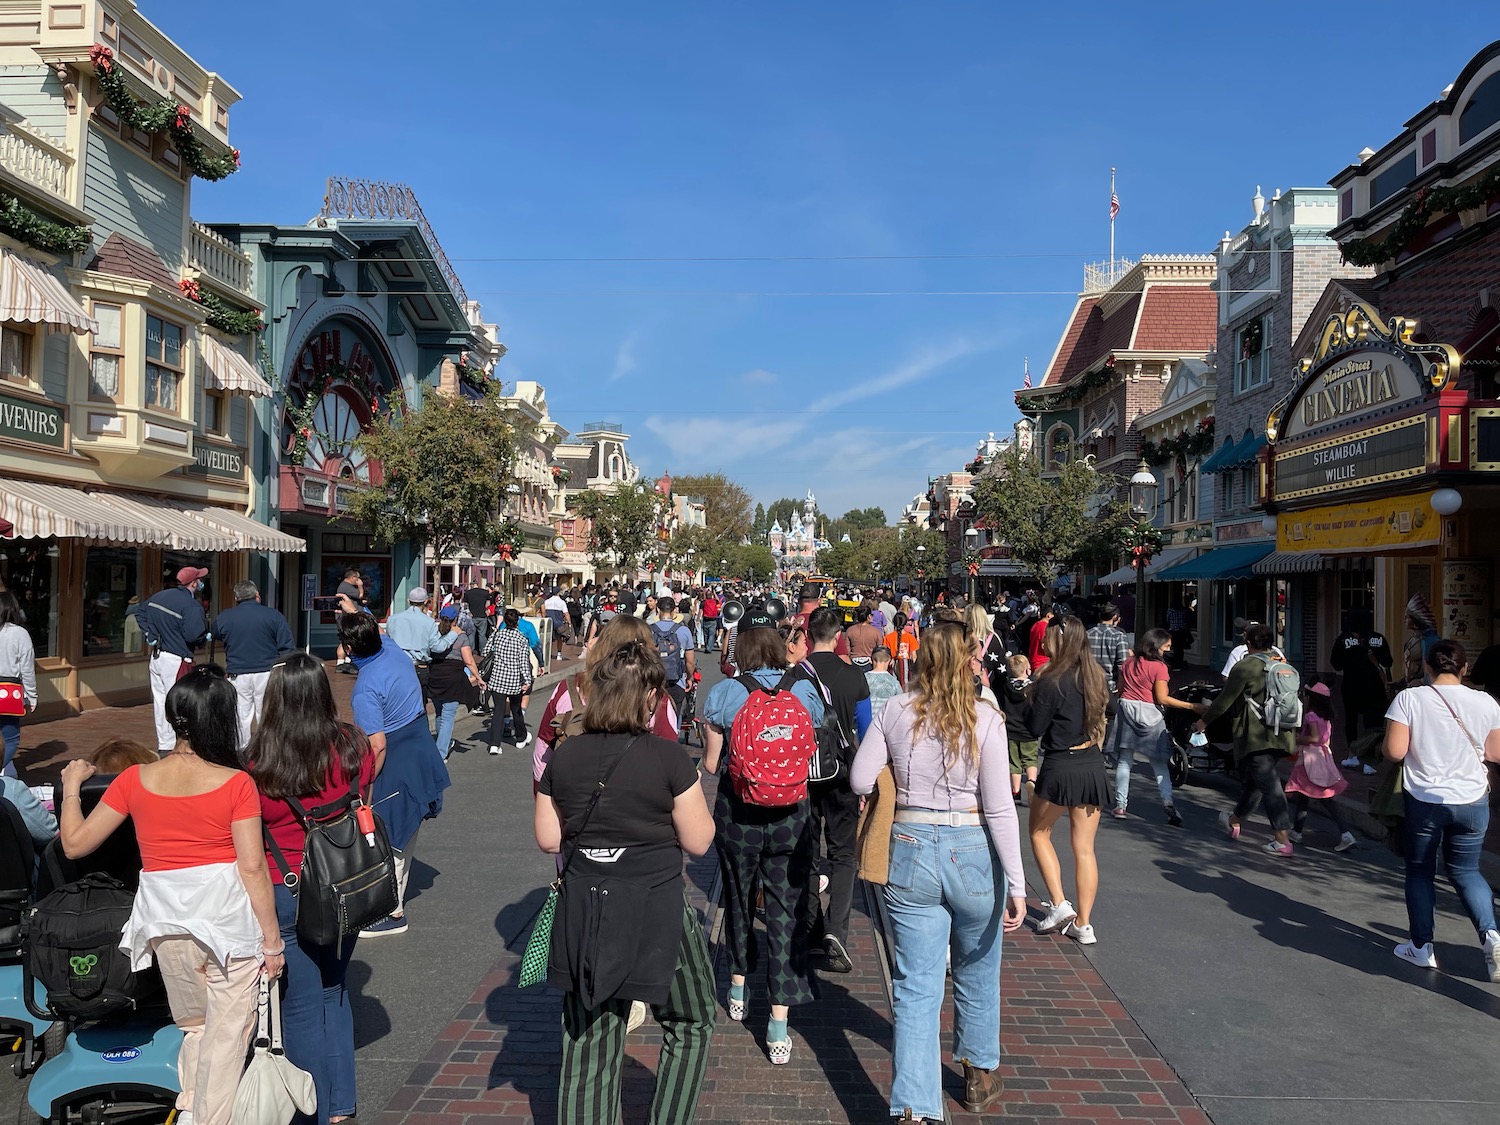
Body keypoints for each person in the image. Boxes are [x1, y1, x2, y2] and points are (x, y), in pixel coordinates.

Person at [58, 666, 282, 1125]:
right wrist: (273, 940)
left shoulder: (134, 779)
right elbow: (253, 866)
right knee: (227, 1039)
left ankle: (191, 1109)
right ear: (221, 718)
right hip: (226, 923)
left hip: (164, 922)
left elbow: (74, 844)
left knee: (196, 1028)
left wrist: (70, 789)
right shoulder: (236, 783)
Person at [534, 628, 717, 1125]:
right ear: (650, 698)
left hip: (586, 907)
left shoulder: (565, 755)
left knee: (589, 1034)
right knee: (691, 1018)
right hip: (655, 905)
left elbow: (549, 838)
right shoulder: (667, 757)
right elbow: (700, 841)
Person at [851, 620, 1027, 1121]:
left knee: (916, 983)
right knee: (977, 965)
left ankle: (913, 1106)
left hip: (909, 845)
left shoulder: (895, 710)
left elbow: (861, 777)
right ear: (967, 661)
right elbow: (999, 807)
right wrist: (1016, 881)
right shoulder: (985, 719)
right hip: (970, 845)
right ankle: (977, 1072)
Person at [247, 653, 380, 1125]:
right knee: (335, 991)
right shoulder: (351, 746)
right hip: (344, 879)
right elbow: (362, 791)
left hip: (288, 885)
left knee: (299, 1005)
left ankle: (314, 1111)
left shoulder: (259, 762)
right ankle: (340, 1104)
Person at [700, 606, 823, 1065]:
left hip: (739, 813)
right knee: (784, 908)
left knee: (737, 894)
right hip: (792, 813)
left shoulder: (727, 692)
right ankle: (778, 1022)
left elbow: (712, 764)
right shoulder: (804, 691)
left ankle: (737, 983)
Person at [1384, 639, 1500, 977]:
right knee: (1467, 871)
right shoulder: (1485, 702)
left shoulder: (1409, 698)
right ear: (1464, 669)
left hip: (1426, 799)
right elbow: (1495, 753)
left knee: (1420, 871)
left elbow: (1394, 751)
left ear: (1428, 668)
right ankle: (1491, 934)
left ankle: (1421, 947)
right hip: (1473, 800)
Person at [336, 611, 450, 937]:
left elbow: (377, 745)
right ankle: (390, 902)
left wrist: (365, 788)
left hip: (398, 756)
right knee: (405, 829)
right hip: (420, 745)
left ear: (348, 648)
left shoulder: (366, 687)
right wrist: (356, 607)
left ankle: (392, 910)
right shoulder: (390, 648)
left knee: (387, 833)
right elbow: (373, 627)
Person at [792, 607, 871, 975]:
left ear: (807, 636)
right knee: (842, 854)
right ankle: (836, 929)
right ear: (838, 636)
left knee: (806, 852)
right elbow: (867, 729)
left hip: (802, 776)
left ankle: (809, 928)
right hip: (841, 774)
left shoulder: (793, 677)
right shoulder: (853, 676)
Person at [1025, 617, 1110, 944]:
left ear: (1059, 640)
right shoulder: (1094, 675)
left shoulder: (1051, 680)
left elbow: (1034, 728)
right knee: (1085, 849)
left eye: (1046, 636)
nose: (1043, 641)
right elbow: (1111, 708)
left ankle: (1059, 903)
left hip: (1060, 765)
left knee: (1039, 833)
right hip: (1090, 763)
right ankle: (1084, 924)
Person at [1196, 623, 1296, 856]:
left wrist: (1203, 722)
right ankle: (1234, 819)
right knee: (1256, 782)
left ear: (1249, 643)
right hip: (1283, 733)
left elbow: (1224, 700)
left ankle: (1282, 839)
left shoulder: (1245, 666)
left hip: (1256, 735)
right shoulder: (1283, 664)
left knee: (1270, 786)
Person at [1110, 629, 1201, 825]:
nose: (1168, 650)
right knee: (1159, 763)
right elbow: (1161, 698)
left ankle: (1120, 805)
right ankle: (1167, 801)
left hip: (1127, 710)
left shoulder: (1127, 663)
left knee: (1125, 761)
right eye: (1166, 646)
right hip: (1151, 715)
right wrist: (1193, 706)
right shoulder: (1159, 667)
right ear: (1156, 646)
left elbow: (1120, 689)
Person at [211, 580, 295, 751]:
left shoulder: (225, 617)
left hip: (238, 673)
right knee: (266, 714)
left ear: (236, 598)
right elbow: (287, 646)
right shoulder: (273, 615)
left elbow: (215, 633)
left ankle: (242, 751)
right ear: (257, 595)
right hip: (267, 672)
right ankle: (268, 750)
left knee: (241, 716)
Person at [139, 566, 210, 754]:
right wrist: (205, 637)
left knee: (160, 701)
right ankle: (180, 745)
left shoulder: (159, 597)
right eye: (199, 579)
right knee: (179, 703)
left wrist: (150, 633)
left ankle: (165, 743)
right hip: (177, 659)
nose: (201, 582)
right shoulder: (191, 606)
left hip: (157, 657)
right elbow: (194, 636)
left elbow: (140, 613)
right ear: (193, 583)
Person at [1285, 682, 1356, 852]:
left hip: (1310, 759)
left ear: (1313, 698)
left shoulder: (1311, 716)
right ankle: (1297, 831)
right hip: (1323, 757)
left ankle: (1346, 834)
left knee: (1324, 798)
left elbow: (1313, 738)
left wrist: (1295, 738)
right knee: (1304, 795)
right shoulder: (1327, 718)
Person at [1332, 608, 1393, 771]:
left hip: (1351, 685)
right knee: (1372, 723)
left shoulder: (1342, 640)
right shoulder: (1379, 638)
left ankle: (1352, 755)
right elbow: (1388, 662)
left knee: (1351, 722)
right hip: (1375, 687)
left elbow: (1336, 664)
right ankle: (1370, 760)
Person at [428, 606, 484, 761]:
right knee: (447, 717)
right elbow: (469, 660)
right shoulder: (461, 636)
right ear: (456, 619)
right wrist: (478, 677)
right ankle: (441, 753)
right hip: (453, 677)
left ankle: (442, 743)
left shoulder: (433, 632)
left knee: (440, 713)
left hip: (435, 675)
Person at [483, 608, 535, 756]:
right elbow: (523, 662)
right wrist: (527, 679)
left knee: (498, 711)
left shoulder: (497, 635)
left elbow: (486, 652)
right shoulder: (521, 639)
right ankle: (520, 737)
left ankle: (494, 744)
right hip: (513, 680)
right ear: (517, 621)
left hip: (497, 679)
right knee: (516, 709)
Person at [386, 588, 443, 713]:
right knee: (419, 706)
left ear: (408, 601)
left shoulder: (393, 619)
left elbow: (389, 641)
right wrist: (452, 635)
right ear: (426, 602)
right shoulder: (429, 622)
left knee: (398, 704)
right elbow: (437, 647)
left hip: (397, 666)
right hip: (419, 667)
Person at [0, 590, 37, 776]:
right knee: (10, 738)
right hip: (9, 692)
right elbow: (27, 669)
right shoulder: (19, 633)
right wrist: (32, 696)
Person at [650, 597, 697, 721]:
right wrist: (689, 678)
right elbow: (690, 661)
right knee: (674, 718)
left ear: (657, 609)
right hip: (677, 681)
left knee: (653, 717)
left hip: (653, 682)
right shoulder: (683, 630)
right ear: (674, 611)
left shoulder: (648, 630)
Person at [1000, 653, 1038, 802]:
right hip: (1028, 730)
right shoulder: (1033, 688)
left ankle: (1016, 790)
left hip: (1011, 730)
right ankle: (1032, 781)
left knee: (1013, 762)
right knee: (1030, 758)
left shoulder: (1006, 686)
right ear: (1027, 669)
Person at [1087, 603, 1129, 696]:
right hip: (1110, 686)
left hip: (1088, 683)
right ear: (1115, 616)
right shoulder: (1119, 636)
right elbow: (1123, 664)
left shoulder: (1087, 634)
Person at [1401, 593, 1441, 689]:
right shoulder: (1413, 640)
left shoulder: (1430, 641)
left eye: (1407, 617)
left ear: (1415, 620)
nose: (1404, 620)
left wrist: (1421, 681)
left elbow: (1434, 670)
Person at [334, 569, 366, 672]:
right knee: (345, 639)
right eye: (357, 579)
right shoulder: (345, 586)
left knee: (351, 639)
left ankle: (348, 662)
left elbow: (358, 599)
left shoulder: (348, 587)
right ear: (353, 578)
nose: (358, 581)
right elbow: (359, 595)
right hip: (346, 617)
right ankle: (340, 663)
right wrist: (360, 586)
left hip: (351, 617)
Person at [883, 612, 921, 690]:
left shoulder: (888, 637)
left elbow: (885, 654)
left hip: (892, 664)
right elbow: (914, 656)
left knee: (893, 685)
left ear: (894, 622)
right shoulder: (910, 637)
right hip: (906, 665)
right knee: (905, 686)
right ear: (905, 623)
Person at [865, 646, 902, 720]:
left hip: (866, 723)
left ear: (871, 660)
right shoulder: (894, 682)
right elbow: (900, 707)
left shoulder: (862, 679)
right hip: (885, 723)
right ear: (890, 661)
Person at [463, 582, 493, 654]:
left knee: (471, 635)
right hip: (482, 616)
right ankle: (483, 651)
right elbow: (488, 604)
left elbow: (465, 606)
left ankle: (470, 652)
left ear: (471, 585)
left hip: (472, 616)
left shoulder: (468, 593)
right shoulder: (485, 592)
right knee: (482, 635)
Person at [1165, 600, 1193, 668]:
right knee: (1180, 648)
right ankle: (1179, 662)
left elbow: (1167, 620)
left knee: (1175, 648)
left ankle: (1176, 663)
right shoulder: (1184, 611)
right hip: (1182, 631)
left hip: (1173, 631)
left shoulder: (1170, 611)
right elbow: (1187, 620)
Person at [701, 589, 722, 655]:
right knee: (711, 634)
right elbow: (718, 600)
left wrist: (698, 619)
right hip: (713, 619)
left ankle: (707, 646)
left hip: (705, 619)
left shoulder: (704, 602)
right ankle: (709, 648)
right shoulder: (714, 601)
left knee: (706, 634)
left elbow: (701, 610)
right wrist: (714, 593)